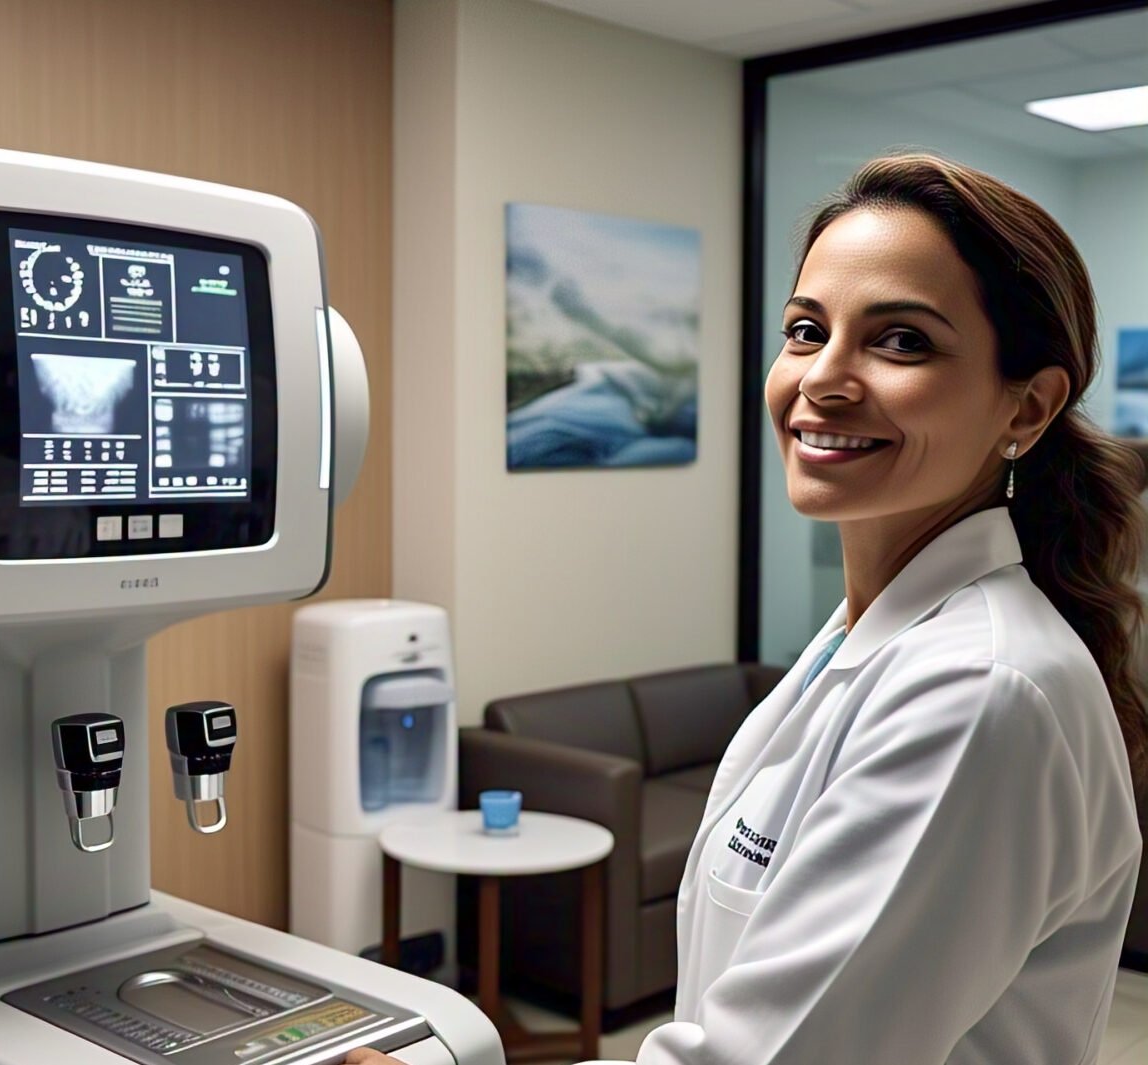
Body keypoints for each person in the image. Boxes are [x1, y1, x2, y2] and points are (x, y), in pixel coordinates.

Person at [348, 153, 1146, 1065]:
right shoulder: (864, 641)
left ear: (1030, 406)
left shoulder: (979, 692)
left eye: (901, 342)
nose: (824, 379)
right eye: (806, 330)